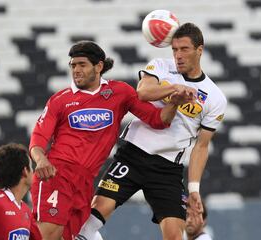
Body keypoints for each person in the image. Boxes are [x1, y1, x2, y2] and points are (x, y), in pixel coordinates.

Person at [29, 40, 197, 240]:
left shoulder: (120, 93)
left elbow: (157, 120)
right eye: (73, 65)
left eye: (82, 64)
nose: (76, 70)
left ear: (99, 66)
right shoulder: (60, 100)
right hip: (58, 173)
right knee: (48, 234)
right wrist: (40, 159)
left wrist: (174, 101)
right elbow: (39, 137)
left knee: (67, 236)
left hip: (84, 181)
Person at [76, 22, 227, 240]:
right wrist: (175, 89)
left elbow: (202, 145)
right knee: (94, 216)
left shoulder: (215, 97)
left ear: (199, 50)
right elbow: (143, 91)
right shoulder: (161, 66)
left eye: (184, 49)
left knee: (175, 236)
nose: (178, 55)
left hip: (167, 168)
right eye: (174, 49)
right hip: (133, 154)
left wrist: (194, 189)